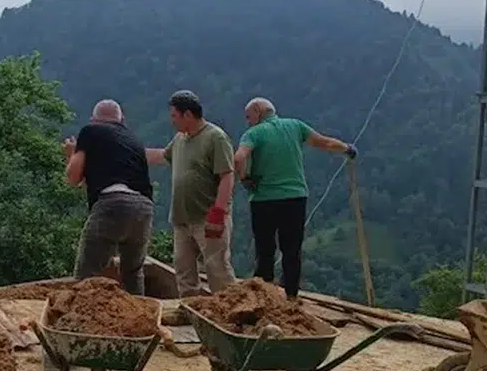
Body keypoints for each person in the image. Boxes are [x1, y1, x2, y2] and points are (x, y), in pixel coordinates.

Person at [233, 97, 356, 299]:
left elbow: (239, 157)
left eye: (249, 116)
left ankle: (264, 296)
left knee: (265, 249)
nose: (248, 121)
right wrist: (347, 149)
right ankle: (291, 297)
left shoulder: (253, 133)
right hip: (295, 198)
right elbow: (323, 142)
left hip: (263, 199)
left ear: (258, 111)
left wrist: (245, 177)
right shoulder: (296, 126)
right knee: (292, 251)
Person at [145, 90, 237, 297]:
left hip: (207, 216)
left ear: (187, 114)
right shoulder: (180, 139)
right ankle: (189, 309)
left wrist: (218, 213)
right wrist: (131, 152)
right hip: (182, 218)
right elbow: (162, 156)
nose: (172, 121)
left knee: (217, 268)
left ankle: (230, 311)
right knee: (183, 268)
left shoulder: (215, 137)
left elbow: (227, 176)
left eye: (174, 116)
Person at [63, 99, 155, 294]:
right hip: (144, 208)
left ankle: (80, 319)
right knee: (133, 272)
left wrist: (71, 154)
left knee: (87, 275)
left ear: (93, 120)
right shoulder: (134, 139)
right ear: (122, 120)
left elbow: (73, 178)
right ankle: (139, 317)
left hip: (113, 204)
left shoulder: (90, 131)